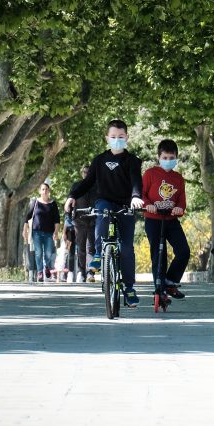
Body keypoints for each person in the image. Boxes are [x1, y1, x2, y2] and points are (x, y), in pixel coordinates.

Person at [66, 119, 145, 307]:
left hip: (126, 205)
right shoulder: (100, 160)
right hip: (105, 201)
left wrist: (136, 197)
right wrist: (72, 196)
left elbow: (136, 181)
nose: (117, 140)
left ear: (127, 137)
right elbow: (87, 182)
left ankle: (129, 289)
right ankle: (99, 255)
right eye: (113, 137)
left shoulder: (132, 161)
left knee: (126, 248)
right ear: (107, 138)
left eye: (121, 137)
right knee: (102, 212)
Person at [141, 139, 191, 299]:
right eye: (165, 158)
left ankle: (170, 281)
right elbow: (141, 195)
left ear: (176, 157)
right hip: (153, 219)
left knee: (183, 251)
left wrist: (179, 208)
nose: (168, 161)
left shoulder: (178, 178)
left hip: (170, 220)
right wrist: (148, 205)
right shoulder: (150, 174)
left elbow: (181, 200)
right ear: (159, 157)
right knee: (158, 253)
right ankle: (159, 285)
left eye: (171, 158)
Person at [25, 183, 61, 283]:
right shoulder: (35, 202)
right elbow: (27, 216)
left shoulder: (53, 204)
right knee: (38, 252)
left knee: (48, 253)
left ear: (49, 191)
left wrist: (56, 232)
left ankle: (47, 267)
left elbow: (57, 219)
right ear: (40, 191)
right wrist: (25, 229)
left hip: (49, 233)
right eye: (43, 189)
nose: (45, 191)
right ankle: (40, 272)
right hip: (36, 233)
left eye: (46, 189)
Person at [68, 165, 97, 282]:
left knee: (91, 248)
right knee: (81, 248)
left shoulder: (97, 186)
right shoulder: (76, 186)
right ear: (82, 173)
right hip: (79, 221)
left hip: (93, 221)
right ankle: (82, 271)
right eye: (84, 172)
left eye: (88, 172)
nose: (86, 174)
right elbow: (70, 202)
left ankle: (90, 272)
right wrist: (69, 218)